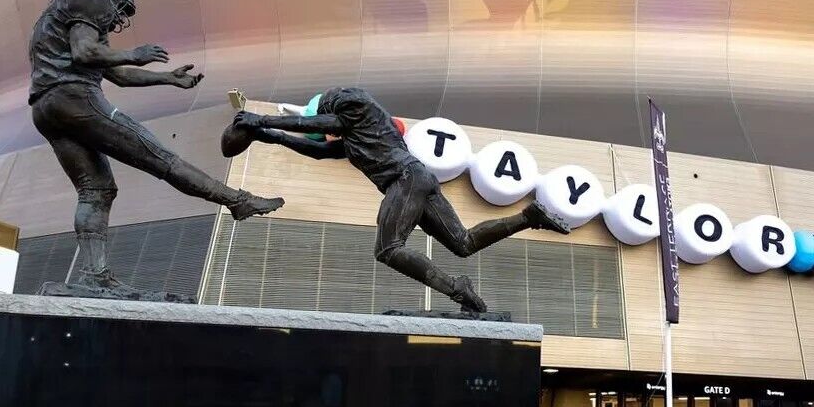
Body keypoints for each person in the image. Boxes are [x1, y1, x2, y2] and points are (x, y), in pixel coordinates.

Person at [28, 0, 284, 296]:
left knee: (96, 190)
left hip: (45, 108)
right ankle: (238, 201)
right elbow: (85, 53)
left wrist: (167, 79)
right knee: (159, 157)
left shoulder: (56, 18)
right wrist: (134, 52)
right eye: (121, 9)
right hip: (74, 97)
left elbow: (117, 74)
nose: (119, 19)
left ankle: (94, 275)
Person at [223, 87, 571, 316]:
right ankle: (529, 215)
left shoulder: (352, 103)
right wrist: (267, 135)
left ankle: (457, 289)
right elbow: (317, 150)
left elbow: (322, 122)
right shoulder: (355, 136)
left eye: (327, 126)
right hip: (418, 179)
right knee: (463, 243)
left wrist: (262, 117)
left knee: (388, 249)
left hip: (404, 179)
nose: (327, 133)